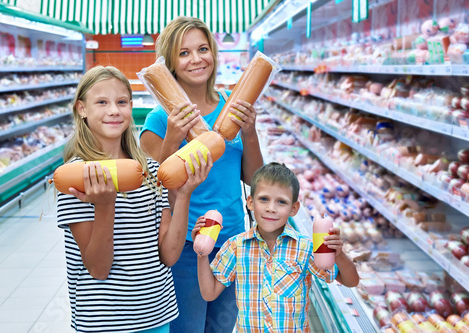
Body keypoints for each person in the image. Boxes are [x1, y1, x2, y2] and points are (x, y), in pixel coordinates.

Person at [56, 65, 213, 333]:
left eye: (122, 102)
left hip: (157, 315)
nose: (114, 111)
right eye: (102, 102)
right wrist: (105, 206)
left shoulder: (151, 171)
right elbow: (98, 269)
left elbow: (169, 255)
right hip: (105, 321)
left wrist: (184, 194)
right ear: (82, 109)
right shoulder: (78, 178)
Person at [140, 16, 263, 332]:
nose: (196, 59)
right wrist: (171, 137)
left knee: (222, 327)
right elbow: (150, 189)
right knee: (188, 328)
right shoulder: (159, 119)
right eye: (183, 53)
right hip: (184, 246)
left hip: (233, 240)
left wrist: (249, 133)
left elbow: (253, 179)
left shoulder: (232, 108)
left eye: (203, 49)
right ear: (171, 63)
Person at [194, 162, 360, 333]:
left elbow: (351, 281)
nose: (271, 208)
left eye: (281, 202)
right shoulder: (236, 246)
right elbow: (209, 293)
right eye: (264, 199)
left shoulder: (304, 248)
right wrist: (201, 254)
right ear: (250, 202)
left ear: (294, 208)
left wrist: (339, 255)